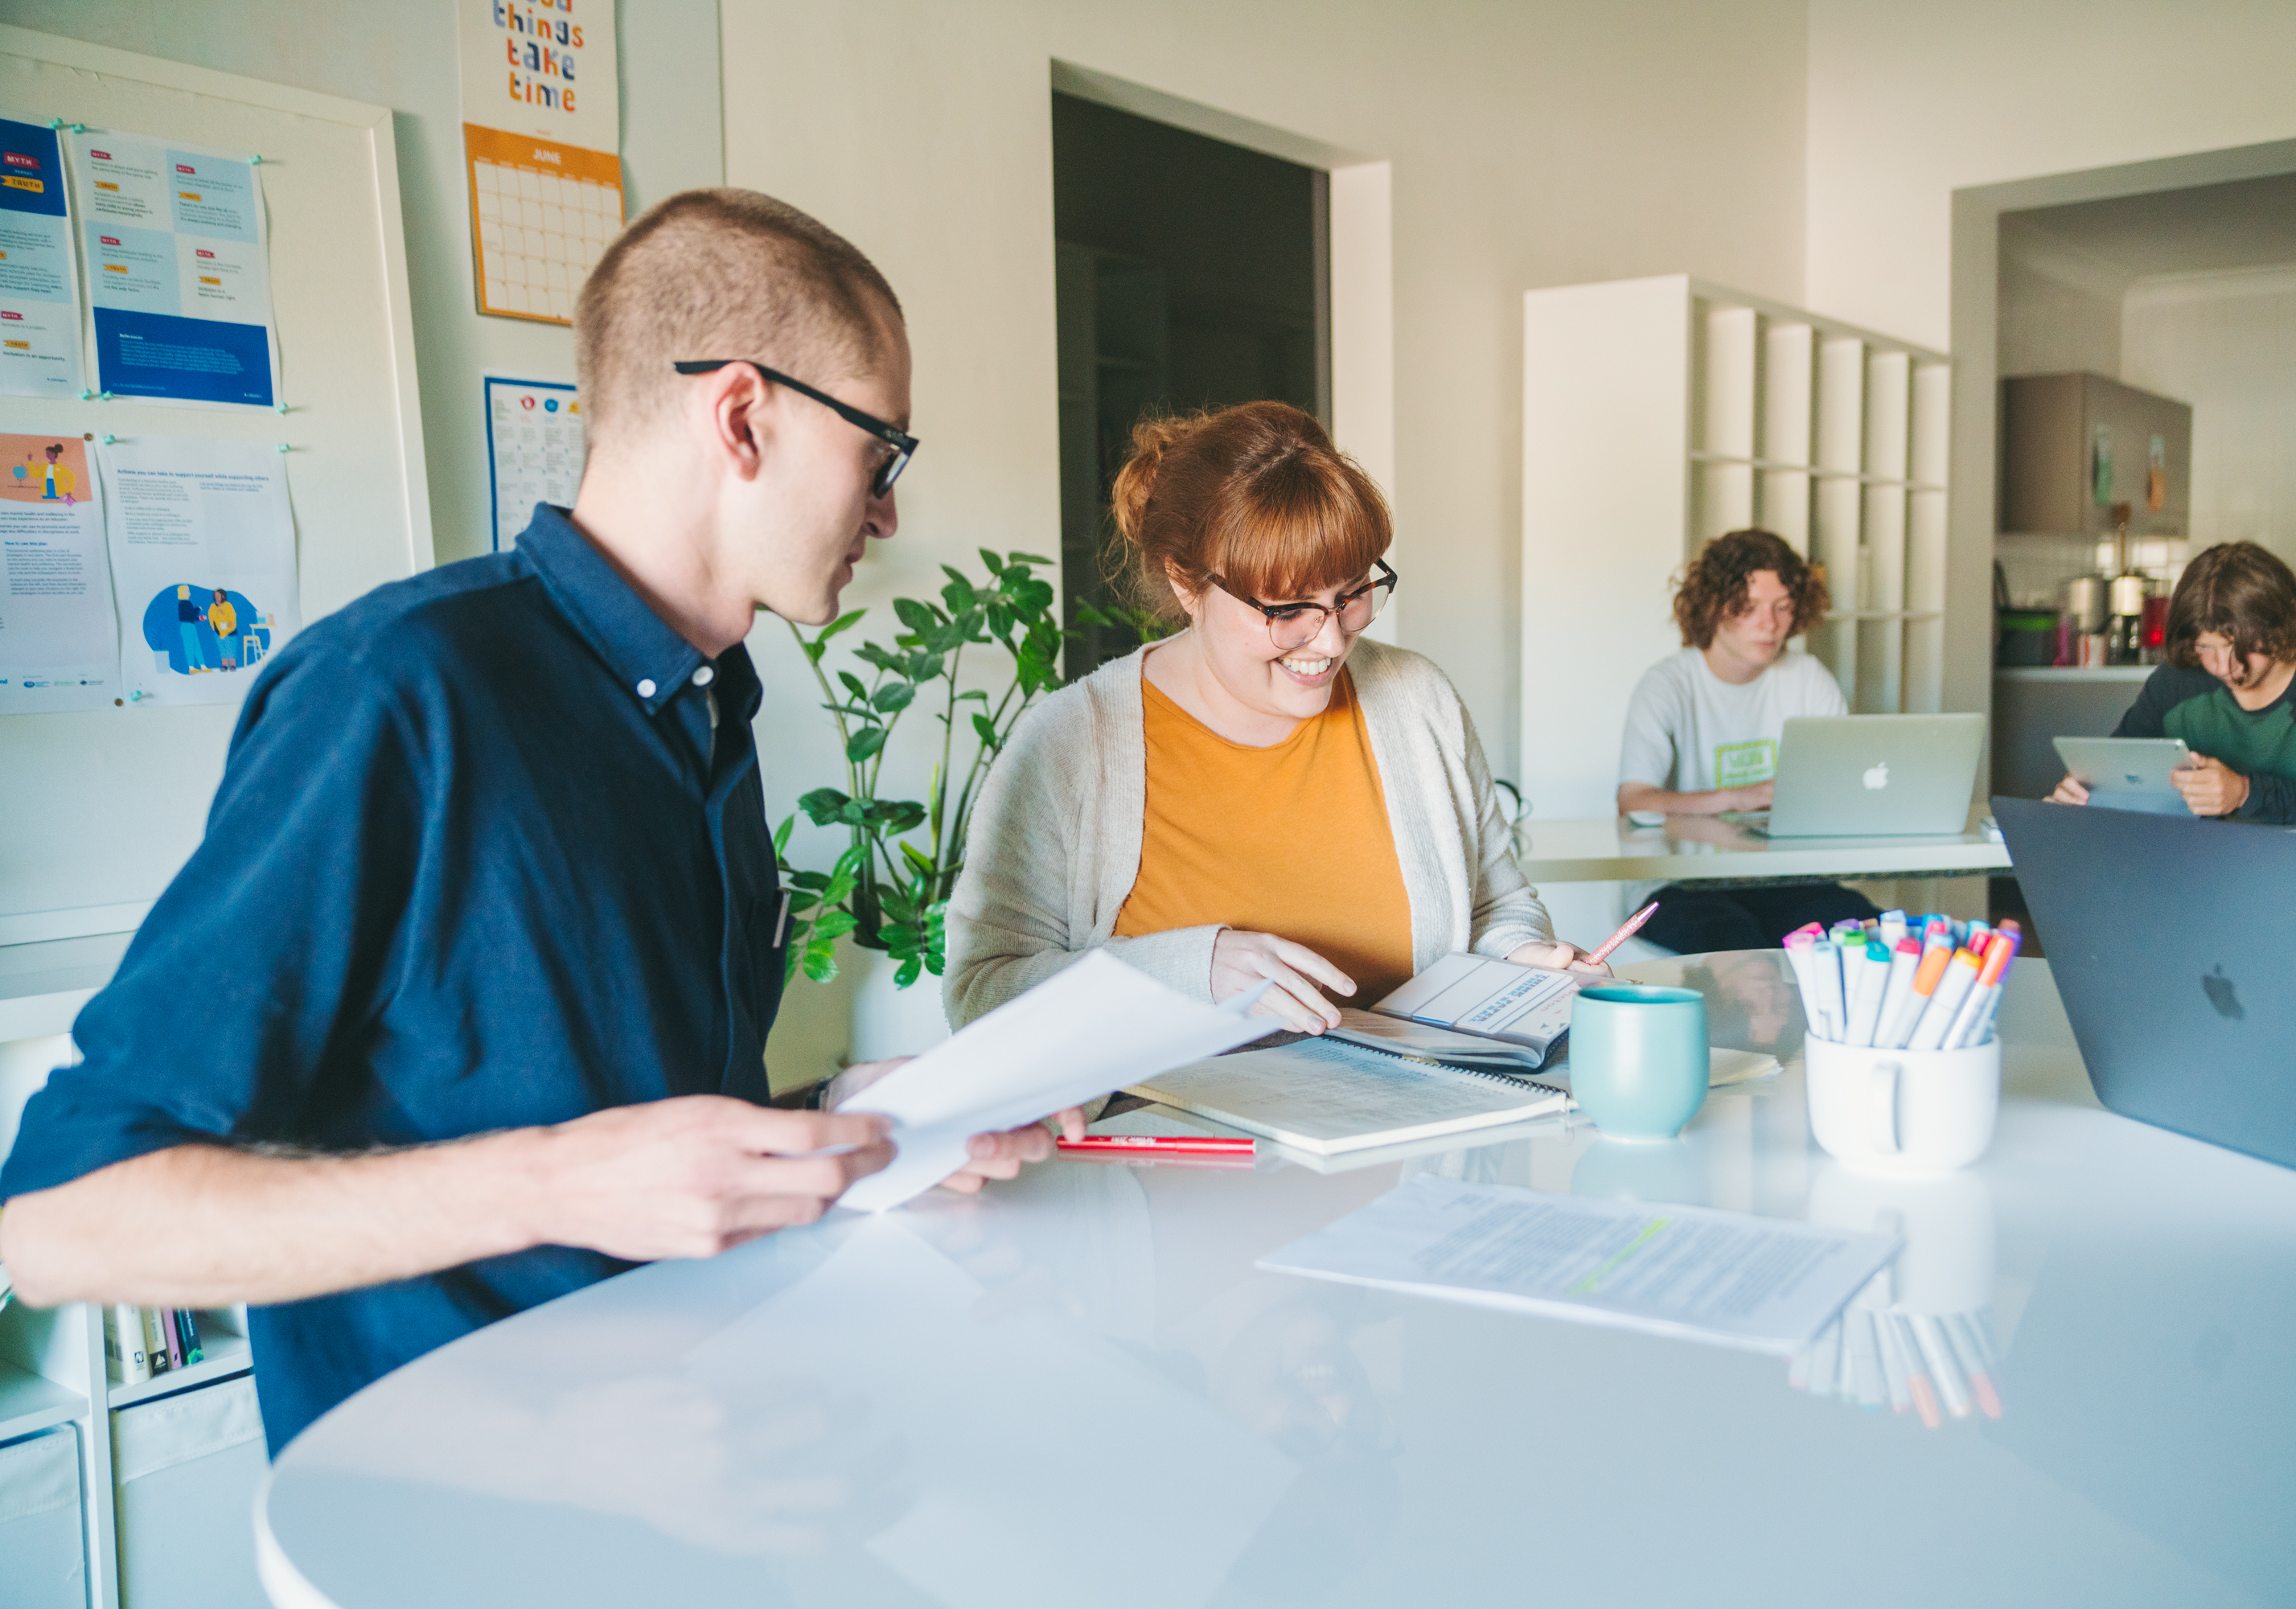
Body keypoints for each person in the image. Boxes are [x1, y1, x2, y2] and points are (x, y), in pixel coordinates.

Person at [0, 190, 1072, 1455]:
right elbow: (61, 1218)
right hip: (450, 1527)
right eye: (880, 453)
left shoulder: (715, 711)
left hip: (714, 1461)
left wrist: (835, 1118)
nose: (886, 511)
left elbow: (622, 1112)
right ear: (742, 415)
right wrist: (562, 1178)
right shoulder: (397, 692)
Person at [946, 400, 1599, 1039]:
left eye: (1350, 595)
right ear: (1185, 582)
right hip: (1163, 1144)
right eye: (1288, 608)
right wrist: (1191, 968)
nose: (1330, 641)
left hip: (1405, 1135)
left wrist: (1518, 960)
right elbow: (982, 994)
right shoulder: (1069, 744)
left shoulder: (1417, 701)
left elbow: (1494, 905)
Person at [1614, 527, 1878, 954]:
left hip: (1785, 879)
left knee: (1871, 938)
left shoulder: (1807, 677)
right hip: (1678, 885)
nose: (1770, 624)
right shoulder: (1667, 684)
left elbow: (1843, 785)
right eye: (1749, 608)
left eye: (1783, 607)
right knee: (1745, 958)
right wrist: (1736, 797)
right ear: (1714, 607)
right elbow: (1634, 800)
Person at [2047, 541, 2296, 826]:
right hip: (2198, 872)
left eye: (2241, 647)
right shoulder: (2177, 682)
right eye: (2206, 648)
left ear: (2281, 624)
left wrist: (2245, 792)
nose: (2223, 666)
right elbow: (2119, 770)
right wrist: (2087, 792)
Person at [208, 586, 239, 671]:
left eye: (218, 595)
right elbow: (211, 619)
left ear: (223, 596)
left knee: (231, 648)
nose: (217, 597)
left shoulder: (228, 605)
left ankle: (233, 665)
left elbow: (232, 617)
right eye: (215, 595)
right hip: (218, 632)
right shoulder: (212, 607)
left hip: (230, 632)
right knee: (222, 649)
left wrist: (229, 623)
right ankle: (224, 665)